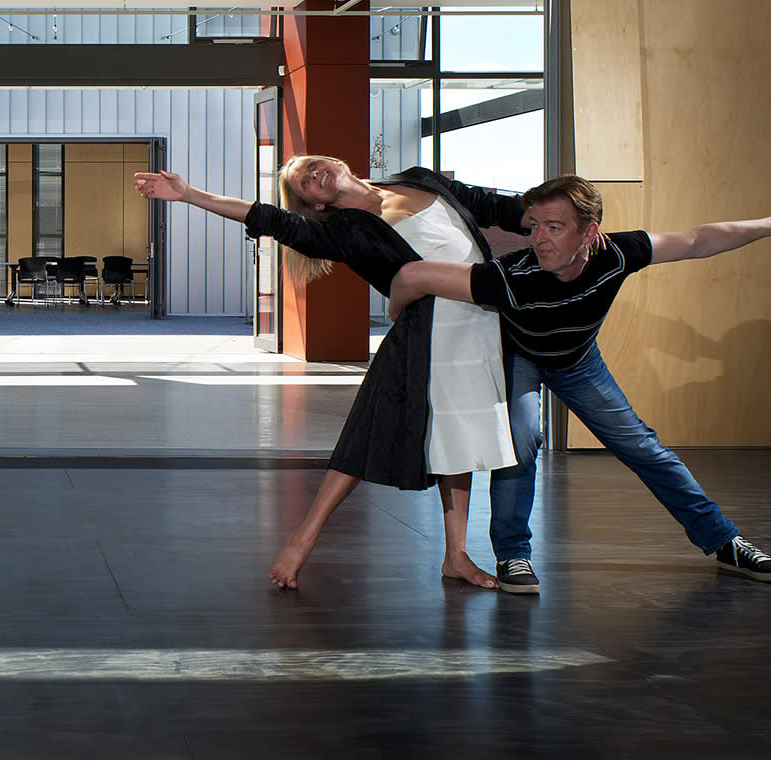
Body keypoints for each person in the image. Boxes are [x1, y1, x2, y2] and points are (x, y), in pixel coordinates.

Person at [388, 175, 771, 591]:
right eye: (534, 227)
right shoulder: (511, 276)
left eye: (554, 227)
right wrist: (398, 327)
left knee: (644, 448)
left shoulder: (617, 254)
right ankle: (514, 556)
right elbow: (411, 276)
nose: (538, 239)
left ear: (589, 232)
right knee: (522, 440)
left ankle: (726, 543)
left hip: (579, 363)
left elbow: (699, 239)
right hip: (522, 359)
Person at [135, 156, 529, 590]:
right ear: (315, 204)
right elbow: (269, 219)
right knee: (363, 438)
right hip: (426, 335)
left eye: (312, 165)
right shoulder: (345, 231)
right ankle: (302, 540)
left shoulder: (418, 179)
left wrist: (564, 215)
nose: (313, 174)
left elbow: (494, 207)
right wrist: (190, 194)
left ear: (336, 161)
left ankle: (456, 556)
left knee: (461, 440)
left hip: (479, 328)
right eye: (304, 182)